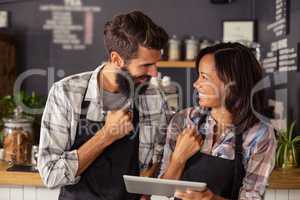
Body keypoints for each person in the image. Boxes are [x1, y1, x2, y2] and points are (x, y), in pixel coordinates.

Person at [38, 10, 169, 200]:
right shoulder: (66, 93)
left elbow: (157, 159)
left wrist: (147, 188)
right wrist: (107, 135)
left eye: (156, 64)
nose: (155, 73)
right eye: (146, 65)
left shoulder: (153, 98)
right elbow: (51, 175)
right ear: (116, 59)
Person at [159, 43, 277, 200]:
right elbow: (161, 195)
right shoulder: (183, 120)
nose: (195, 84)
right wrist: (178, 159)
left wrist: (211, 199)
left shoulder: (259, 134)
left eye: (204, 77)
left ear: (231, 84)